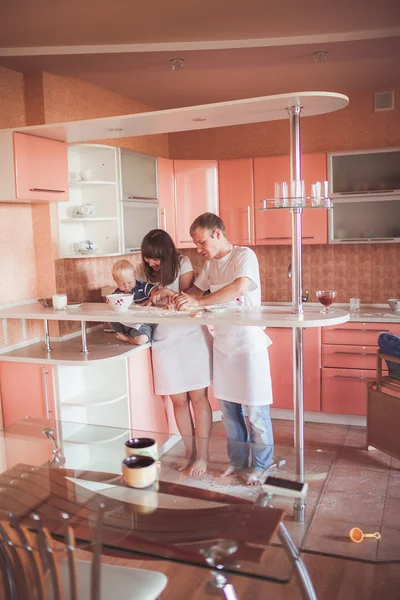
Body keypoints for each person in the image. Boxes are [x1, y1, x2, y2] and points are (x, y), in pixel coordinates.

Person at [174, 213, 274, 485]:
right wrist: (174, 298)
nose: (199, 249)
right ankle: (238, 462)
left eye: (201, 241)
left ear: (217, 234)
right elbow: (196, 291)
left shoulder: (244, 256)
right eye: (196, 244)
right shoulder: (209, 265)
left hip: (249, 344)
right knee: (230, 412)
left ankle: (262, 466)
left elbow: (238, 287)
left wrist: (200, 304)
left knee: (256, 411)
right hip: (224, 345)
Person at [136, 229, 214, 477]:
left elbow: (188, 298)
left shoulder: (183, 263)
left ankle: (202, 456)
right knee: (178, 401)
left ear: (167, 252)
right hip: (164, 339)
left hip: (191, 337)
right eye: (147, 258)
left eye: (155, 257)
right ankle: (189, 452)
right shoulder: (143, 271)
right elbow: (138, 298)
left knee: (198, 399)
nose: (151, 263)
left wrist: (167, 295)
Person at [110, 259, 159, 345]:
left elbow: (155, 291)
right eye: (122, 284)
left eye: (129, 282)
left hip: (141, 324)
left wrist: (150, 300)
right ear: (115, 281)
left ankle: (128, 339)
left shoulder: (142, 287)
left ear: (134, 275)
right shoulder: (118, 293)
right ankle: (122, 332)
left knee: (142, 340)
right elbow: (111, 302)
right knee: (109, 317)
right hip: (126, 323)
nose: (126, 286)